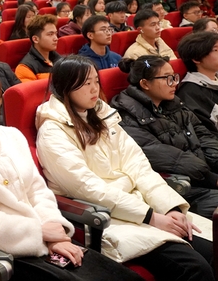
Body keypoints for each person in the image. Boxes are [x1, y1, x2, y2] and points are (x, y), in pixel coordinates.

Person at [0, 67, 143, 281]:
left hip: (44, 235)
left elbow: (38, 191)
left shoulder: (12, 136)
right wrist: (38, 232)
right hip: (4, 252)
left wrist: (54, 231)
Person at [35, 55, 214, 280]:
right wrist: (151, 217)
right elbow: (88, 188)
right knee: (195, 267)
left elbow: (139, 166)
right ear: (65, 87)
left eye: (96, 81)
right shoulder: (53, 131)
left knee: (212, 249)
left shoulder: (103, 115)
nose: (94, 89)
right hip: (108, 217)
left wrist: (170, 208)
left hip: (141, 205)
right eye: (85, 83)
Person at [110, 55, 218, 219]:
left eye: (174, 77)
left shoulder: (173, 103)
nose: (174, 83)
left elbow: (204, 136)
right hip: (179, 189)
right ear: (145, 84)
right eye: (167, 78)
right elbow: (168, 158)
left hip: (204, 178)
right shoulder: (126, 116)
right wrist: (212, 178)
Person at [177, 32, 218, 133]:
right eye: (216, 50)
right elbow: (207, 134)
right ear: (197, 58)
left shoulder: (214, 79)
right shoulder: (190, 94)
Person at [15, 14, 60, 82]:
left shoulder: (60, 60)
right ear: (35, 39)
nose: (56, 38)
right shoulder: (24, 68)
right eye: (50, 34)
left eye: (55, 34)